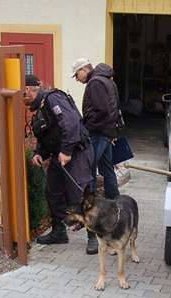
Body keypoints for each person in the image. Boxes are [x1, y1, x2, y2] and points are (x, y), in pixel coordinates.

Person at [23, 74, 94, 246]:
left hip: (76, 152)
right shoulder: (40, 107)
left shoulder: (52, 99)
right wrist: (39, 153)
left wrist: (67, 151)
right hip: (59, 155)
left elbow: (71, 123)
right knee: (53, 193)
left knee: (82, 194)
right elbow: (48, 135)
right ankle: (59, 233)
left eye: (20, 95)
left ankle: (94, 236)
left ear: (26, 91)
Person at [72, 58, 122, 255]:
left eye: (77, 74)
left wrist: (88, 126)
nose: (77, 79)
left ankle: (92, 231)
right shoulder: (107, 80)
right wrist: (112, 132)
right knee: (108, 172)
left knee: (88, 176)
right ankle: (118, 212)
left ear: (85, 70)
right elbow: (113, 109)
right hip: (107, 132)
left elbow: (102, 110)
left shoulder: (94, 82)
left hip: (99, 133)